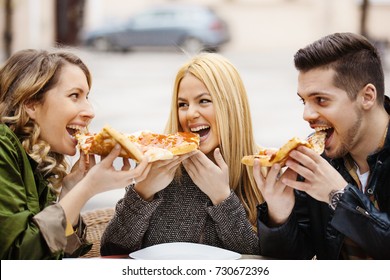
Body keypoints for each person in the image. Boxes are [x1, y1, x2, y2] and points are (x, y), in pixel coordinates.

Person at [100, 52, 263, 256]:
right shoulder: (160, 167)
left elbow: (265, 259)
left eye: (203, 101)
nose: (190, 114)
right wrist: (142, 193)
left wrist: (222, 198)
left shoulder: (263, 172)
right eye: (182, 104)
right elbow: (110, 251)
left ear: (231, 107)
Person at [0, 49, 150, 259]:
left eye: (86, 97)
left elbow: (64, 254)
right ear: (31, 104)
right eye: (74, 96)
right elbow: (18, 259)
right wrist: (87, 189)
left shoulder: (34, 159)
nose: (90, 111)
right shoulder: (2, 147)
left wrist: (72, 189)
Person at [255, 32, 390, 259]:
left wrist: (338, 196)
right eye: (303, 101)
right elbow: (295, 260)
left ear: (367, 96)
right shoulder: (317, 160)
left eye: (321, 100)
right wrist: (279, 215)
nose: (306, 115)